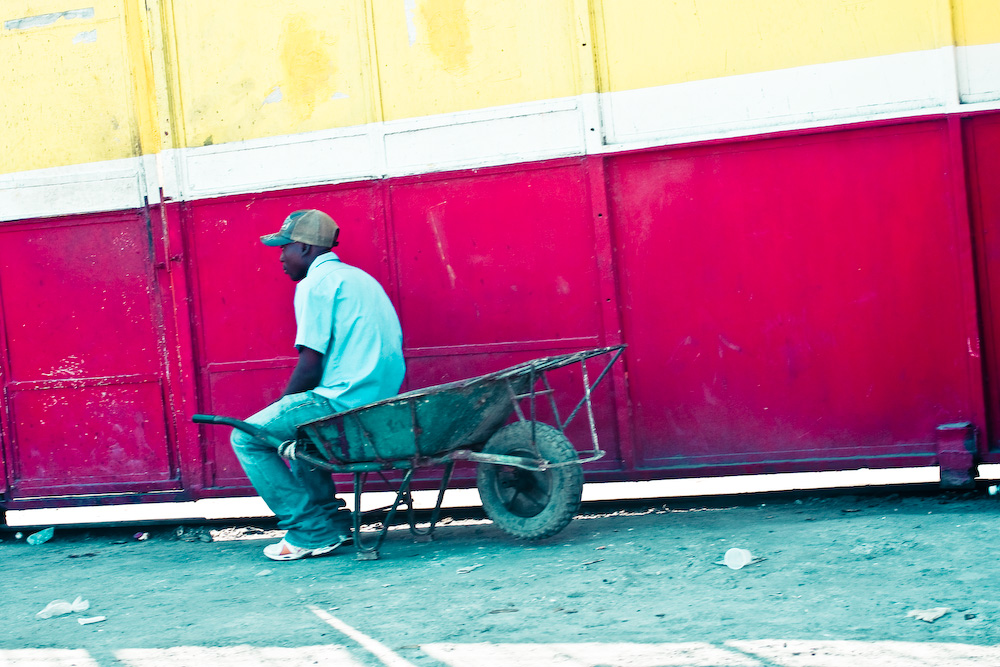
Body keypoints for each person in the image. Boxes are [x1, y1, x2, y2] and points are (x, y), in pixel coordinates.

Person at [231, 209, 405, 561]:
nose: (280, 256)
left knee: (248, 437)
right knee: (301, 434)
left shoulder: (315, 284)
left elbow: (310, 365)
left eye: (285, 247)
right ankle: (331, 524)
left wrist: (279, 411)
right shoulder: (359, 278)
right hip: (375, 404)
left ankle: (309, 530)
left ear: (306, 249)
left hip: (342, 400)